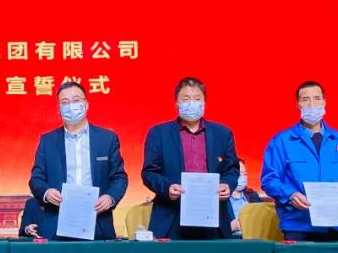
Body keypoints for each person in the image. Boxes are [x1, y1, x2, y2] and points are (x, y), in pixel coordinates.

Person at [261, 80, 338, 242]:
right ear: (297, 105)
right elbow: (269, 180)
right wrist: (290, 194)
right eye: (305, 99)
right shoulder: (282, 141)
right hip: (299, 226)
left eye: (317, 98)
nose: (312, 104)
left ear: (324, 102)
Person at [141, 77, 240, 239]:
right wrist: (167, 187)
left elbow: (232, 169)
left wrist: (227, 185)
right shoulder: (158, 133)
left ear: (204, 103)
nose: (191, 103)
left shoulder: (222, 134)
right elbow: (149, 173)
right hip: (171, 215)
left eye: (197, 99)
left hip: (214, 215)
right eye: (186, 99)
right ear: (176, 103)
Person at [28, 81, 127, 240]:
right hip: (57, 221)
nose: (71, 106)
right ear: (59, 109)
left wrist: (110, 198)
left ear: (86, 104)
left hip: (98, 220)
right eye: (65, 102)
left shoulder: (106, 139)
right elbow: (36, 179)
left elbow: (119, 177)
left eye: (76, 100)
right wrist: (46, 192)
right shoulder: (48, 141)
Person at [228, 161, 267, 235]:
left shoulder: (253, 196)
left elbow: (264, 219)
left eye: (245, 174)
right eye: (240, 174)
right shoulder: (220, 200)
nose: (243, 177)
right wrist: (232, 227)